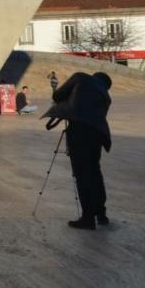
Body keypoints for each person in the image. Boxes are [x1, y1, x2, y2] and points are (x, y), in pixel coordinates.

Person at [49, 71, 113, 230]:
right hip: (98, 135)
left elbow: (57, 97)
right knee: (95, 173)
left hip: (79, 132)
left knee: (82, 175)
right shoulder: (106, 96)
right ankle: (101, 214)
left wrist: (56, 89)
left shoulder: (81, 77)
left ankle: (87, 218)